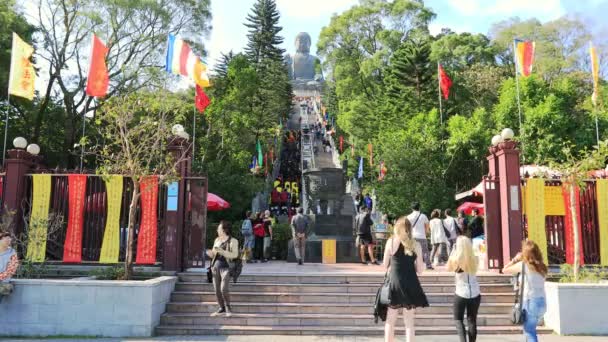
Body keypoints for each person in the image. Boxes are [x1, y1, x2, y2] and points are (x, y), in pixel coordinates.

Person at [383, 216, 429, 342]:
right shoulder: (416, 245)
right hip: (411, 284)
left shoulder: (391, 242)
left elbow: (384, 264)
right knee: (409, 323)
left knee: (390, 321)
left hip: (395, 283)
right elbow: (420, 270)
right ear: (410, 229)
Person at [502, 241, 548, 342]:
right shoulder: (543, 267)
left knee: (529, 332)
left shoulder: (523, 265)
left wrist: (515, 259)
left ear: (525, 253)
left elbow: (504, 270)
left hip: (531, 302)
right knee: (531, 329)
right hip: (542, 302)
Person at [447, 236, 481, 342]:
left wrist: (453, 251)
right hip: (475, 293)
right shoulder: (475, 258)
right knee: (472, 320)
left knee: (458, 320)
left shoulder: (456, 261)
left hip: (461, 292)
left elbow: (448, 267)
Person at [206, 221, 239, 317]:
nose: (217, 230)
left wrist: (222, 251)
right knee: (216, 290)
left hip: (227, 267)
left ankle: (228, 307)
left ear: (224, 230)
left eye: (219, 228)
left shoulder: (233, 241)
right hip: (215, 267)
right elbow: (213, 254)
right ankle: (221, 307)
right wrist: (209, 253)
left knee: (223, 289)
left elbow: (234, 255)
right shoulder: (217, 240)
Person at [407, 202, 432, 269]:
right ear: (419, 207)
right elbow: (427, 227)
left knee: (412, 251)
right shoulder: (423, 216)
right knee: (425, 251)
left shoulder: (408, 217)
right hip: (422, 236)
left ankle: (411, 265)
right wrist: (426, 233)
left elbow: (407, 228)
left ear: (412, 208)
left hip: (413, 237)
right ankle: (428, 265)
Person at [0, 232, 19, 303]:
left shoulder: (12, 252)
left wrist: (1, 276)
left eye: (9, 239)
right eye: (6, 239)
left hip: (3, 282)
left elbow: (12, 269)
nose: (8, 241)